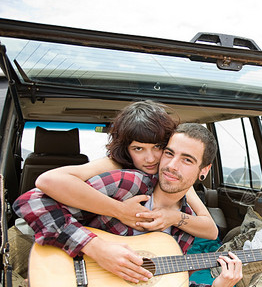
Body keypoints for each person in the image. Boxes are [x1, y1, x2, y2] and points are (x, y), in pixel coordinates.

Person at [14, 123, 262, 287]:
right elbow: (31, 202)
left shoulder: (187, 221)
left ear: (204, 171)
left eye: (187, 160)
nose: (171, 165)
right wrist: (96, 247)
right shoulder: (128, 184)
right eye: (169, 153)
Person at [35, 100, 218, 243]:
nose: (151, 159)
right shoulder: (116, 165)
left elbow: (210, 229)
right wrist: (120, 211)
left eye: (159, 147)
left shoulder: (172, 175)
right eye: (138, 149)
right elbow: (48, 181)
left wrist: (174, 217)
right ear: (126, 150)